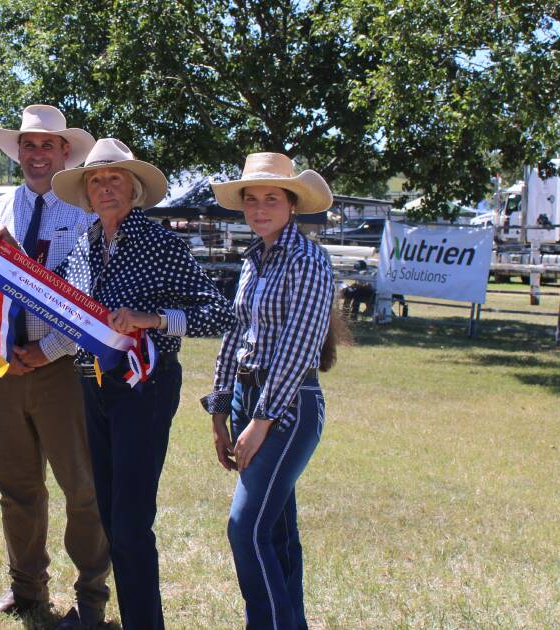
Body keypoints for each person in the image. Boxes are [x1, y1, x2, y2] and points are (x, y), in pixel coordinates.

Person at [34, 138, 234, 629]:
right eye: (96, 180)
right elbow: (47, 290)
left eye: (114, 179)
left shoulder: (161, 243)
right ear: (86, 191)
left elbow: (219, 313)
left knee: (129, 523)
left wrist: (152, 319)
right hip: (92, 386)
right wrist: (7, 261)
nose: (105, 188)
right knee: (110, 514)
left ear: (135, 188)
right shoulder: (84, 246)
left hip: (144, 387)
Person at [0, 104, 111, 629]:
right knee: (16, 486)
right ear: (17, 151)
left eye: (48, 145)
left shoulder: (85, 212)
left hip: (64, 372)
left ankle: (91, 598)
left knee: (81, 488)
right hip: (2, 370)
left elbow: (87, 298)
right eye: (29, 144)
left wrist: (47, 351)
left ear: (65, 152)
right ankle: (26, 589)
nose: (38, 154)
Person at [202, 152, 344, 630]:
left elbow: (299, 348)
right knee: (277, 532)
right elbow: (234, 334)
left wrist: (260, 422)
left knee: (246, 528)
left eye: (271, 199)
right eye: (252, 200)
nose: (260, 209)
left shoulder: (308, 261)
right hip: (249, 398)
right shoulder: (253, 261)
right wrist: (221, 411)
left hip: (286, 406)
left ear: (292, 205)